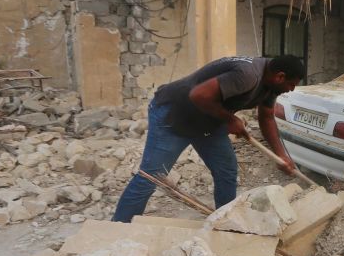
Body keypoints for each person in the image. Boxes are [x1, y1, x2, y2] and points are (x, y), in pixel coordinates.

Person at [112, 55, 305, 223]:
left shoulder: (271, 85)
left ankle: (225, 222)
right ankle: (118, 228)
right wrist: (231, 119)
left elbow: (266, 117)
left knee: (226, 171)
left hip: (208, 119)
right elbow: (199, 95)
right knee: (151, 176)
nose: (291, 90)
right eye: (291, 84)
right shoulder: (248, 75)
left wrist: (282, 156)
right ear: (280, 76)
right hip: (174, 113)